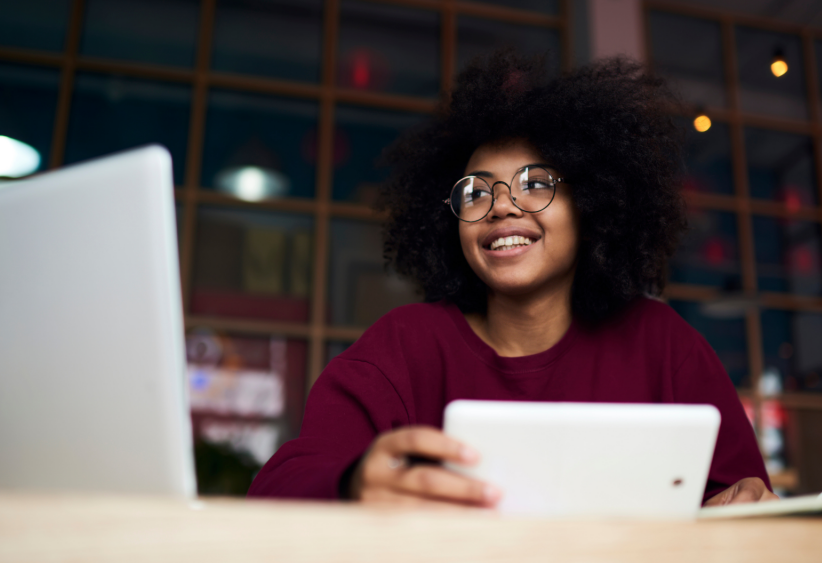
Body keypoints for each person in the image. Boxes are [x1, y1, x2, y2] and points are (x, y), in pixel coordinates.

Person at [247, 51, 777, 508]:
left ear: (590, 203)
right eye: (476, 192)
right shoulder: (404, 347)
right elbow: (279, 487)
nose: (501, 206)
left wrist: (747, 504)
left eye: (535, 183)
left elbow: (745, 502)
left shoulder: (662, 344)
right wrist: (353, 485)